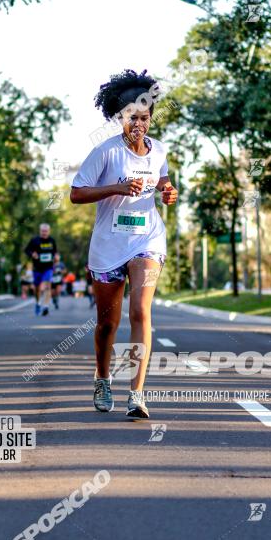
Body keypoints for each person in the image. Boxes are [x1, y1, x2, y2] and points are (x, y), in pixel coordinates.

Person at [70, 69, 177, 419]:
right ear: (120, 117)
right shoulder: (105, 153)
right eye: (132, 117)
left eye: (145, 118)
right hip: (108, 245)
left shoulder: (159, 150)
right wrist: (115, 188)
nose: (139, 124)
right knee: (107, 324)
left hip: (147, 239)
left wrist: (167, 190)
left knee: (140, 311)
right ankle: (102, 376)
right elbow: (76, 193)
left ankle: (137, 393)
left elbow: (161, 178)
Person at [24, 223, 59, 316]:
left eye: (46, 231)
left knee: (47, 285)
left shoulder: (52, 241)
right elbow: (27, 250)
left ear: (49, 231)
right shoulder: (34, 240)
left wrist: (56, 257)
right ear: (40, 231)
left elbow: (55, 253)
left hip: (48, 268)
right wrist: (32, 254)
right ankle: (38, 303)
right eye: (43, 231)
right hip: (37, 268)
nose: (44, 233)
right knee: (37, 289)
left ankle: (46, 306)